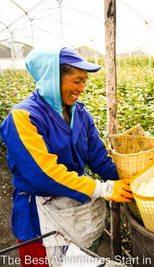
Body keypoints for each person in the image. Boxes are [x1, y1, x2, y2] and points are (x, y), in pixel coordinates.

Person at [0, 47, 133, 266]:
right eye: (76, 81)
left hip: (76, 210)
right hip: (39, 217)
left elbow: (98, 157)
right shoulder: (23, 117)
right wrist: (104, 189)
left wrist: (131, 182)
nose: (82, 88)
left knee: (78, 257)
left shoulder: (80, 113)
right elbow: (43, 174)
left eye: (84, 82)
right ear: (53, 78)